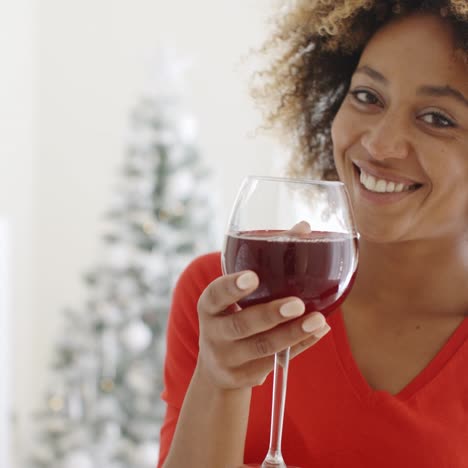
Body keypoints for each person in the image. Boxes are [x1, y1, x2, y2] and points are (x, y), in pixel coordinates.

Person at [157, 1, 468, 467]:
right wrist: (221, 381)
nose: (380, 144)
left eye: (438, 119)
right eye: (367, 96)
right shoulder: (227, 301)